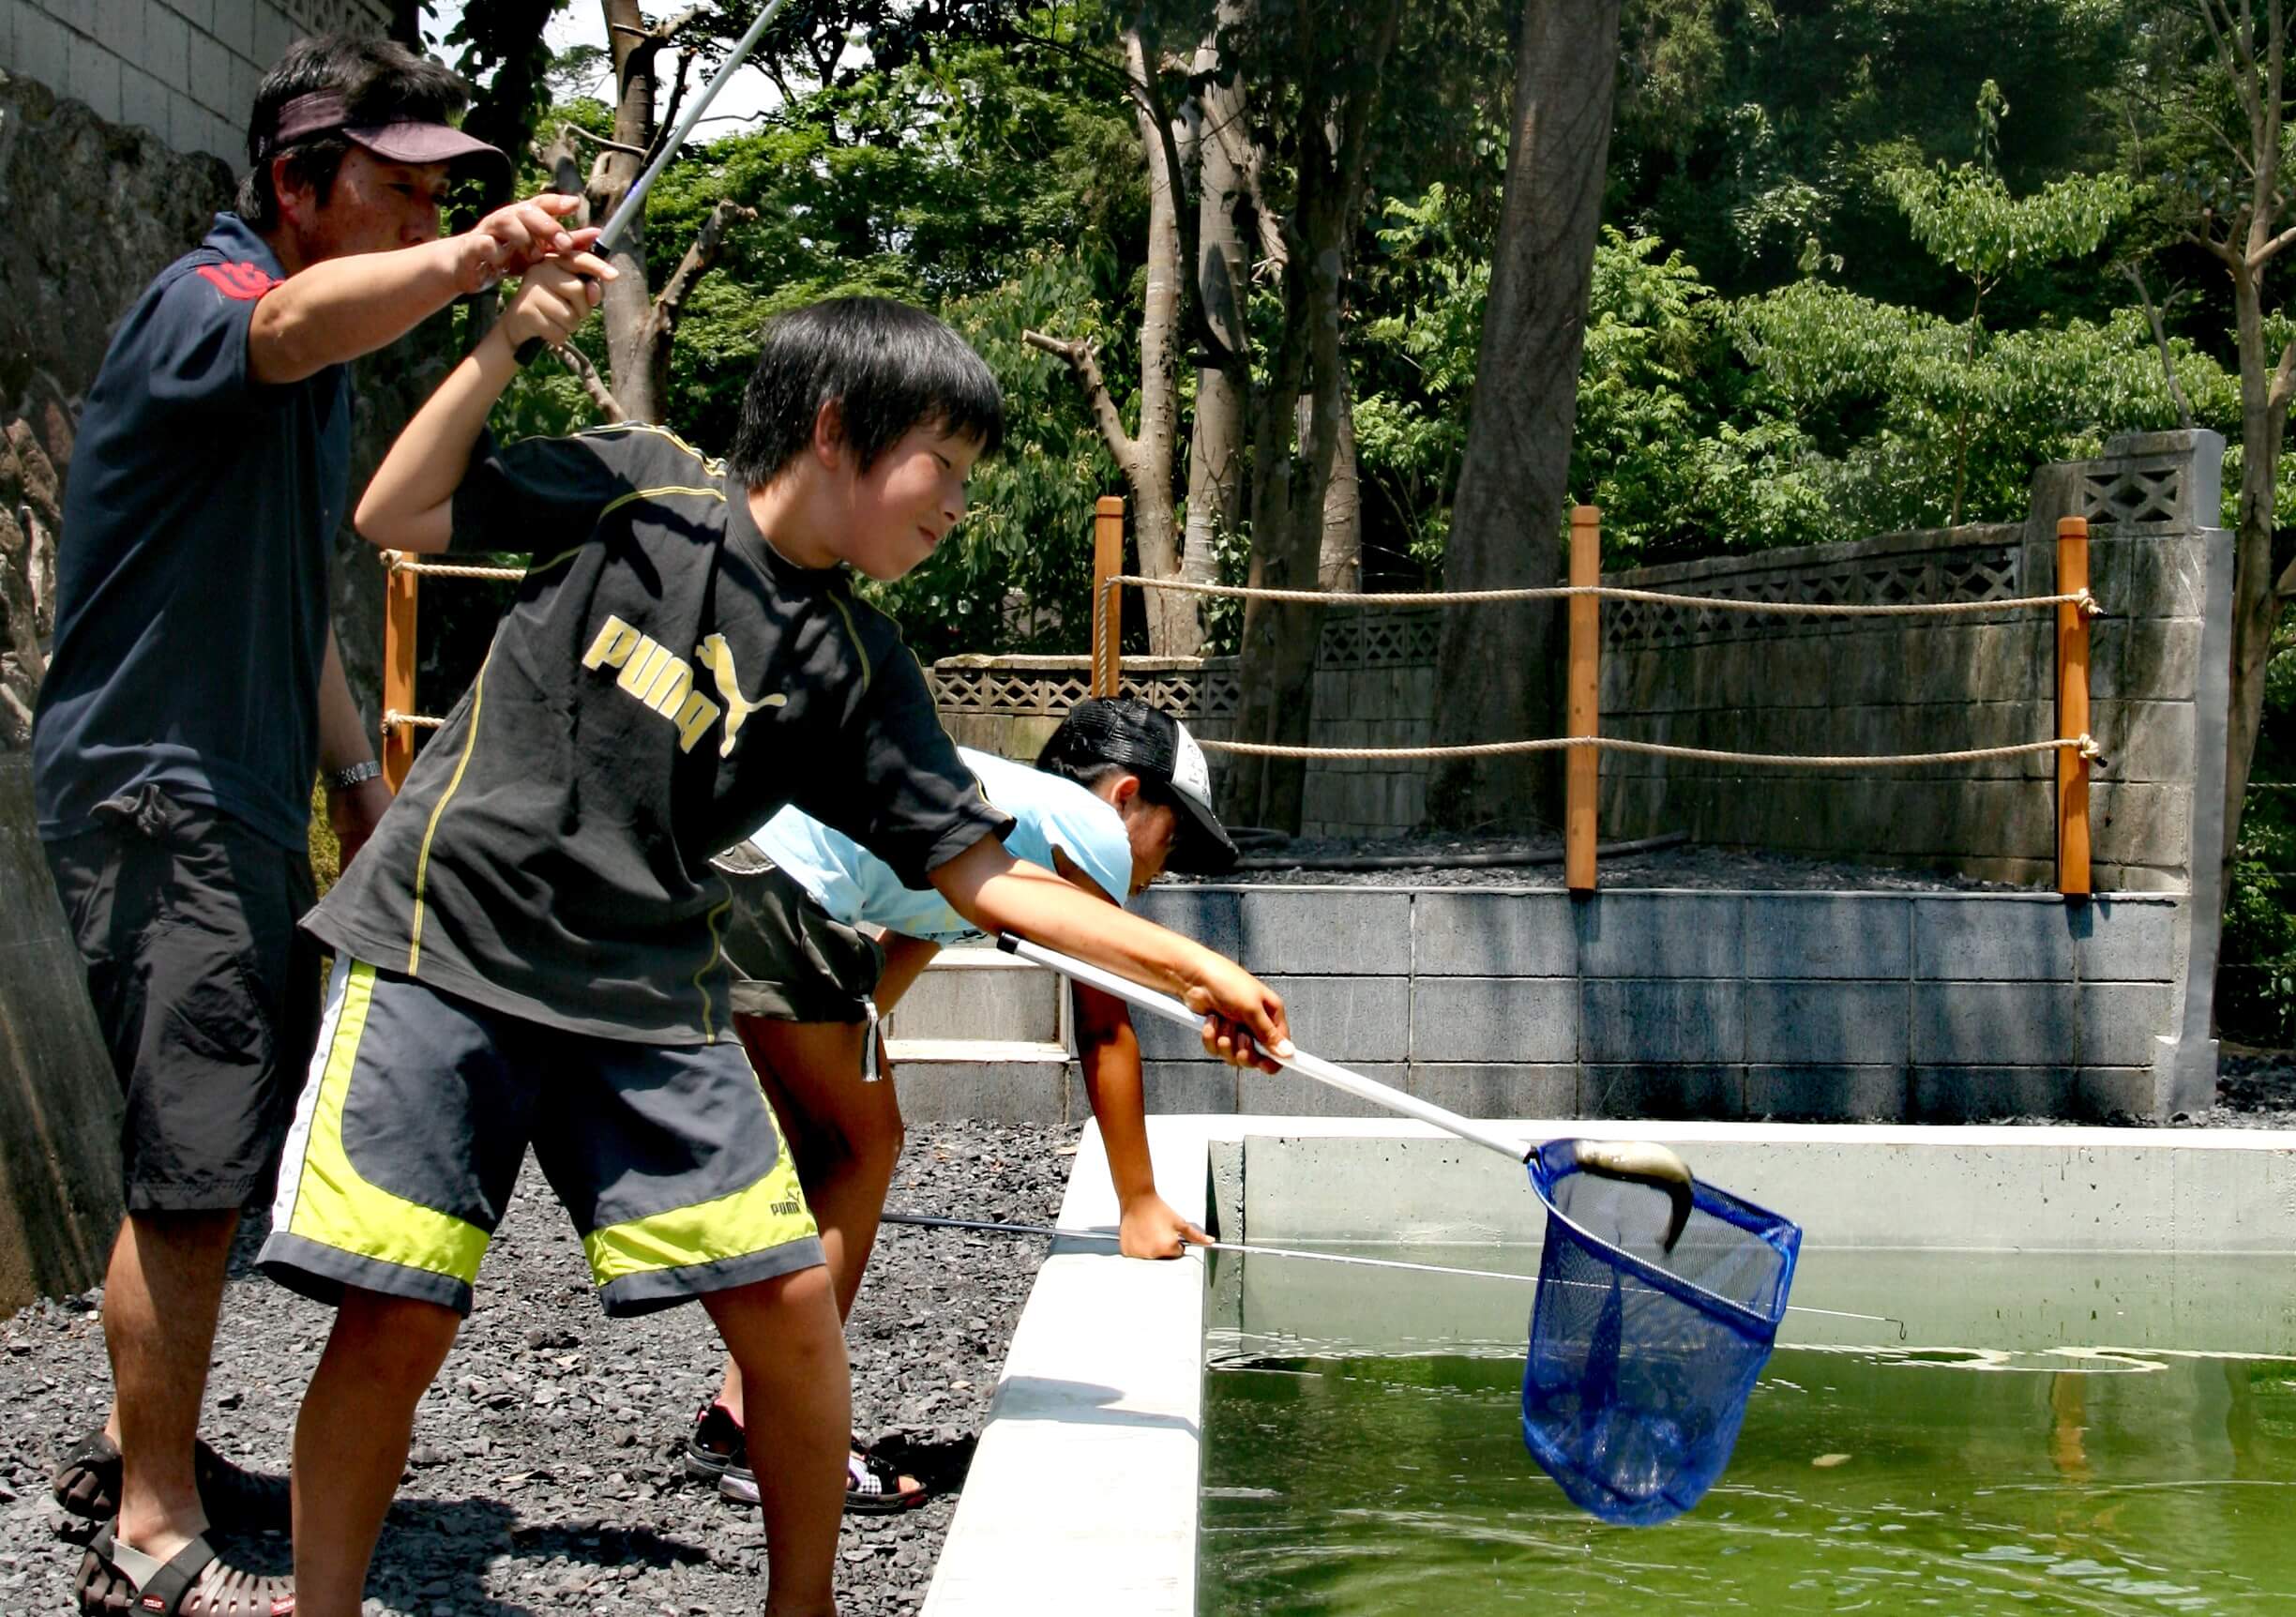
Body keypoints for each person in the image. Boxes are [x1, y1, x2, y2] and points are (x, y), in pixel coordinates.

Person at [263, 291, 1292, 1617]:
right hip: (442, 943)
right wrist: (503, 337)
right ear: (835, 427)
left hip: (641, 987)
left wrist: (1185, 968)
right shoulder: (641, 489)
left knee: (792, 1302)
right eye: (948, 467)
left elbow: (977, 873)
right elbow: (393, 515)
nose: (956, 507)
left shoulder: (858, 667)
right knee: (399, 1312)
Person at [28, 31, 599, 1615]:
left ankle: (146, 1447)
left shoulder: (315, 368)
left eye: (450, 197)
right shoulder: (210, 309)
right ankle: (147, 1534)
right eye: (400, 189)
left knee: (221, 1140)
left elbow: (301, 597)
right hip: (159, 785)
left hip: (237, 783)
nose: (428, 219)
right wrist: (484, 263)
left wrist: (359, 781)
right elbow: (285, 321)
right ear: (296, 182)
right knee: (193, 1169)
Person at [684, 696, 1238, 1513]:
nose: (1167, 863)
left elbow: (888, 966)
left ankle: (739, 1414)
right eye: (1174, 832)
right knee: (863, 1149)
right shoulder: (1082, 832)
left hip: (736, 856)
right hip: (786, 882)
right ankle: (788, 1439)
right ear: (1124, 795)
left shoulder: (995, 828)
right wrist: (1139, 1202)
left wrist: (854, 1047)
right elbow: (1104, 1022)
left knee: (835, 1152)